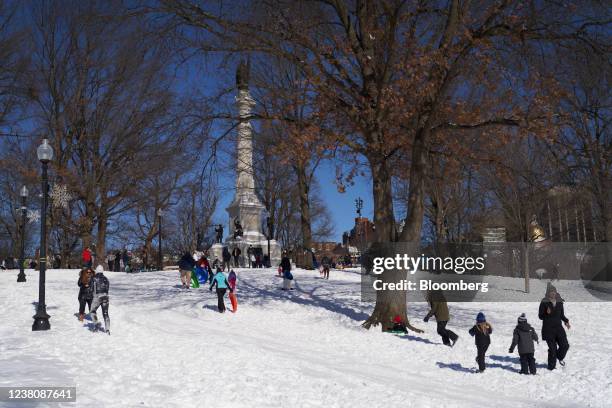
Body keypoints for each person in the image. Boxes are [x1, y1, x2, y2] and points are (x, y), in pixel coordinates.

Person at [539, 283, 570, 370]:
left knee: (565, 346)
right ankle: (551, 367)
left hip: (558, 329)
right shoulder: (544, 302)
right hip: (548, 329)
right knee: (553, 350)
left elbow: (562, 315)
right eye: (551, 292)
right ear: (548, 293)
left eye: (554, 292)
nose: (553, 293)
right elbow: (540, 316)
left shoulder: (560, 302)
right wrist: (546, 313)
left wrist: (566, 321)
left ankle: (559, 357)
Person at [90, 265, 111, 334]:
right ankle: (107, 329)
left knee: (92, 311)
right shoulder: (106, 278)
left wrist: (92, 295)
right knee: (105, 313)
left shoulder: (94, 278)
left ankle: (96, 324)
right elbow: (107, 288)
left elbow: (91, 288)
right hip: (105, 296)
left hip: (97, 297)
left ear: (96, 270)